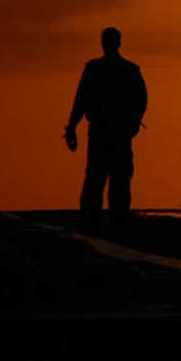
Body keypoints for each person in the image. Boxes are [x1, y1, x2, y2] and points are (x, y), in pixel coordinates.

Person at [64, 27, 147, 236]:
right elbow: (80, 100)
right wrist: (72, 127)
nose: (107, 44)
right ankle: (96, 226)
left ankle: (114, 226)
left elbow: (140, 100)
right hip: (103, 134)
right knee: (97, 182)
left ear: (117, 43)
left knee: (115, 182)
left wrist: (133, 124)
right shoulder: (97, 69)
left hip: (116, 134)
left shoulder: (127, 70)